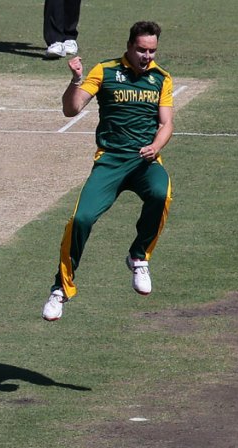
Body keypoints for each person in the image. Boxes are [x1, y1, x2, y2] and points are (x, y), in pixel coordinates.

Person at [42, 21, 174, 321]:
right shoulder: (105, 71)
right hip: (111, 161)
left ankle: (139, 256)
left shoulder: (161, 79)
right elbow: (71, 110)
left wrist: (156, 146)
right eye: (142, 50)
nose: (147, 56)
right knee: (81, 218)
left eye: (152, 51)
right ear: (129, 46)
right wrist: (76, 80)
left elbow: (167, 123)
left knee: (161, 193)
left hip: (145, 161)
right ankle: (61, 290)